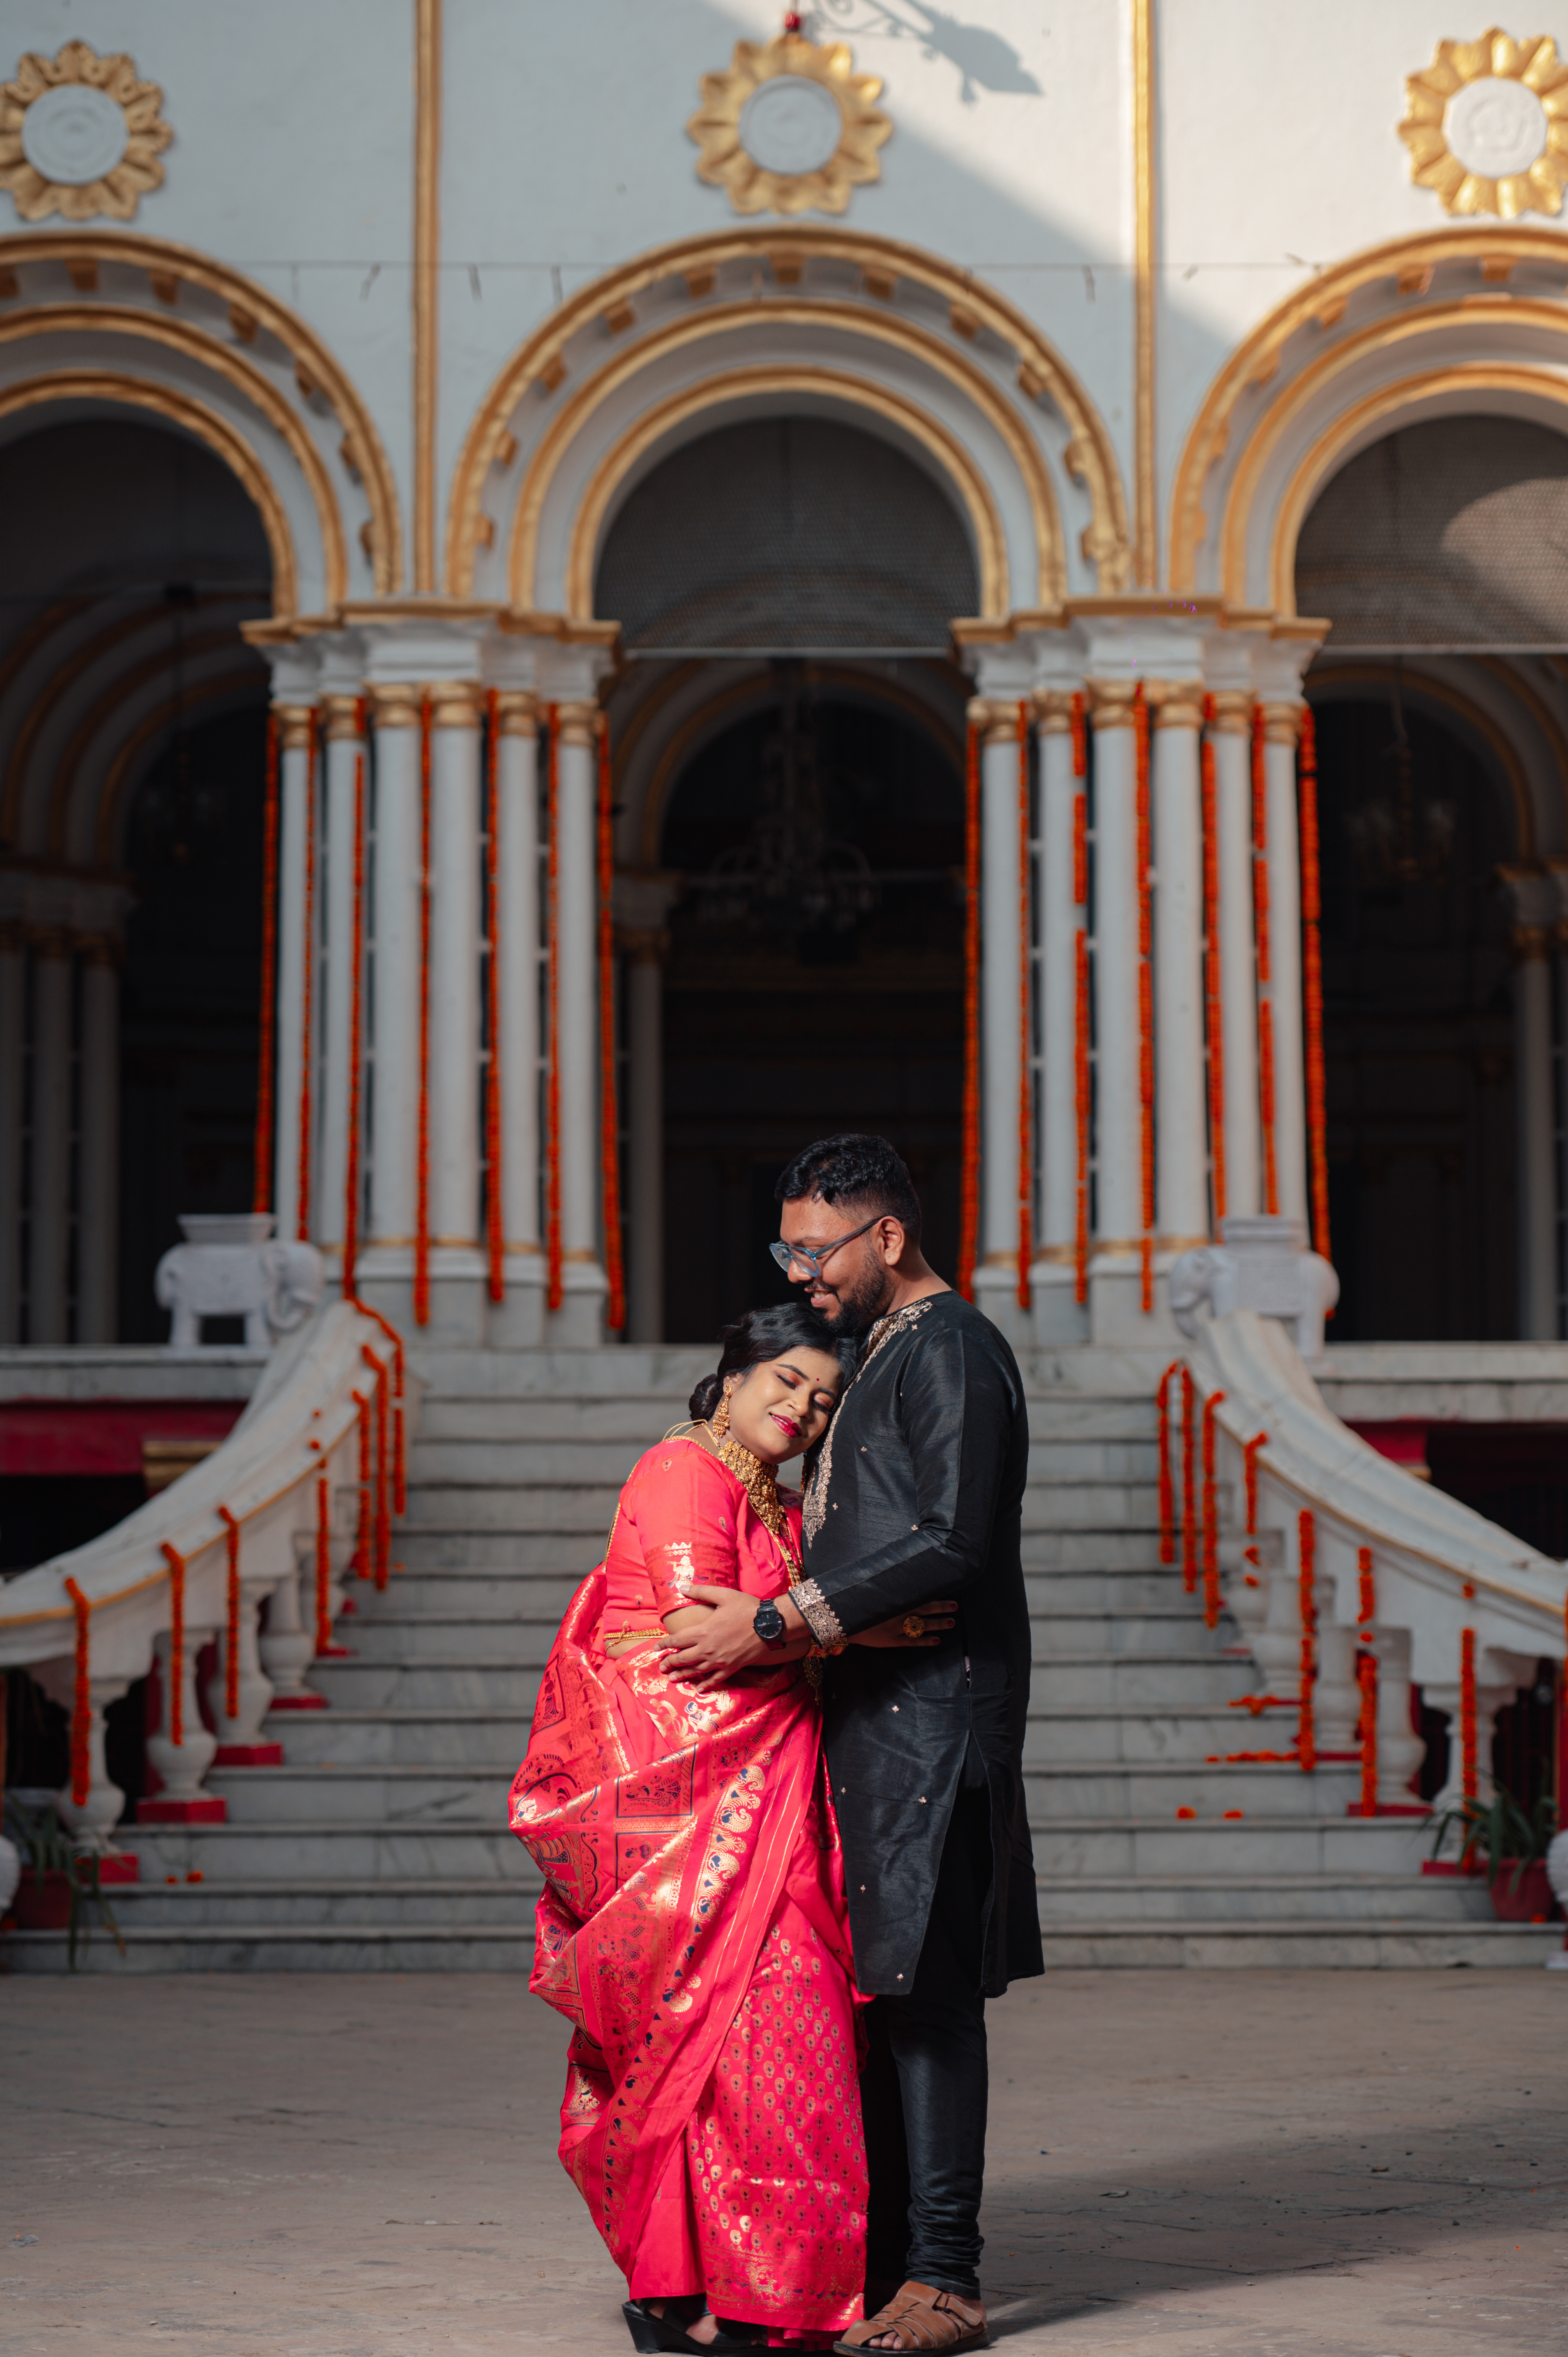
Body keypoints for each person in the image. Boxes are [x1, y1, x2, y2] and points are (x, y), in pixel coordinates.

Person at [510, 1302, 955, 2356]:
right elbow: (694, 1649)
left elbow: (761, 1625)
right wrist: (852, 1631)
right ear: (734, 1375)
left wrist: (817, 1628)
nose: (800, 1408)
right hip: (685, 1812)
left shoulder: (766, 1491)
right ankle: (706, 2295)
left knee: (755, 2055)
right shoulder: (683, 1475)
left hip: (753, 1812)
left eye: (822, 1398)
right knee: (729, 2047)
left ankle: (731, 2297)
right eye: (786, 1382)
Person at [662, 1137, 1040, 2357]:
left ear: (887, 1236)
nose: (801, 1273)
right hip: (873, 1716)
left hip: (937, 1725)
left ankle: (946, 2281)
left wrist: (779, 1623)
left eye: (816, 1250)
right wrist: (824, 1633)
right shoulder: (878, 1351)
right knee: (878, 2001)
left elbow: (952, 1540)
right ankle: (873, 2268)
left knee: (927, 2007)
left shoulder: (954, 1352)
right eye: (786, 1250)